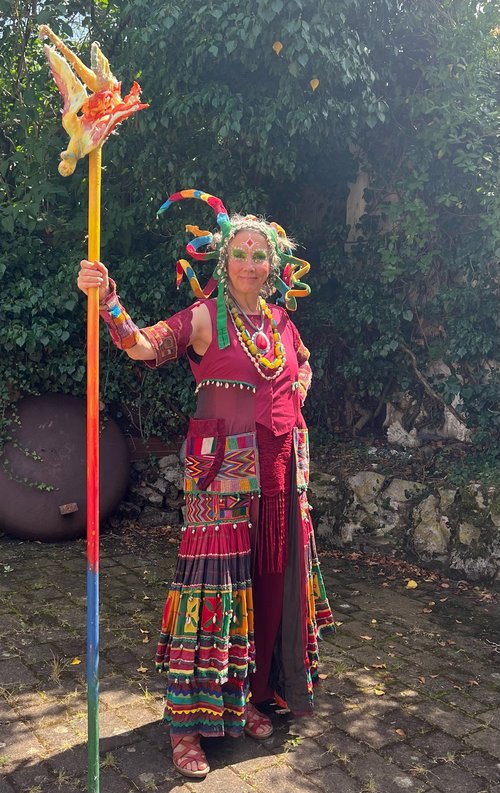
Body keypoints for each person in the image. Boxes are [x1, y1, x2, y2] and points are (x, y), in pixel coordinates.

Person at [77, 188, 334, 779]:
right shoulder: (203, 318)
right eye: (240, 252)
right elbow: (142, 347)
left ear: (275, 264)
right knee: (212, 591)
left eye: (261, 254)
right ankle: (187, 725)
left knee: (269, 585)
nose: (250, 263)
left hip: (281, 473)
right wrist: (109, 303)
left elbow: (305, 362)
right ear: (223, 260)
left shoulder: (280, 320)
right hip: (222, 472)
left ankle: (246, 699)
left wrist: (298, 392)